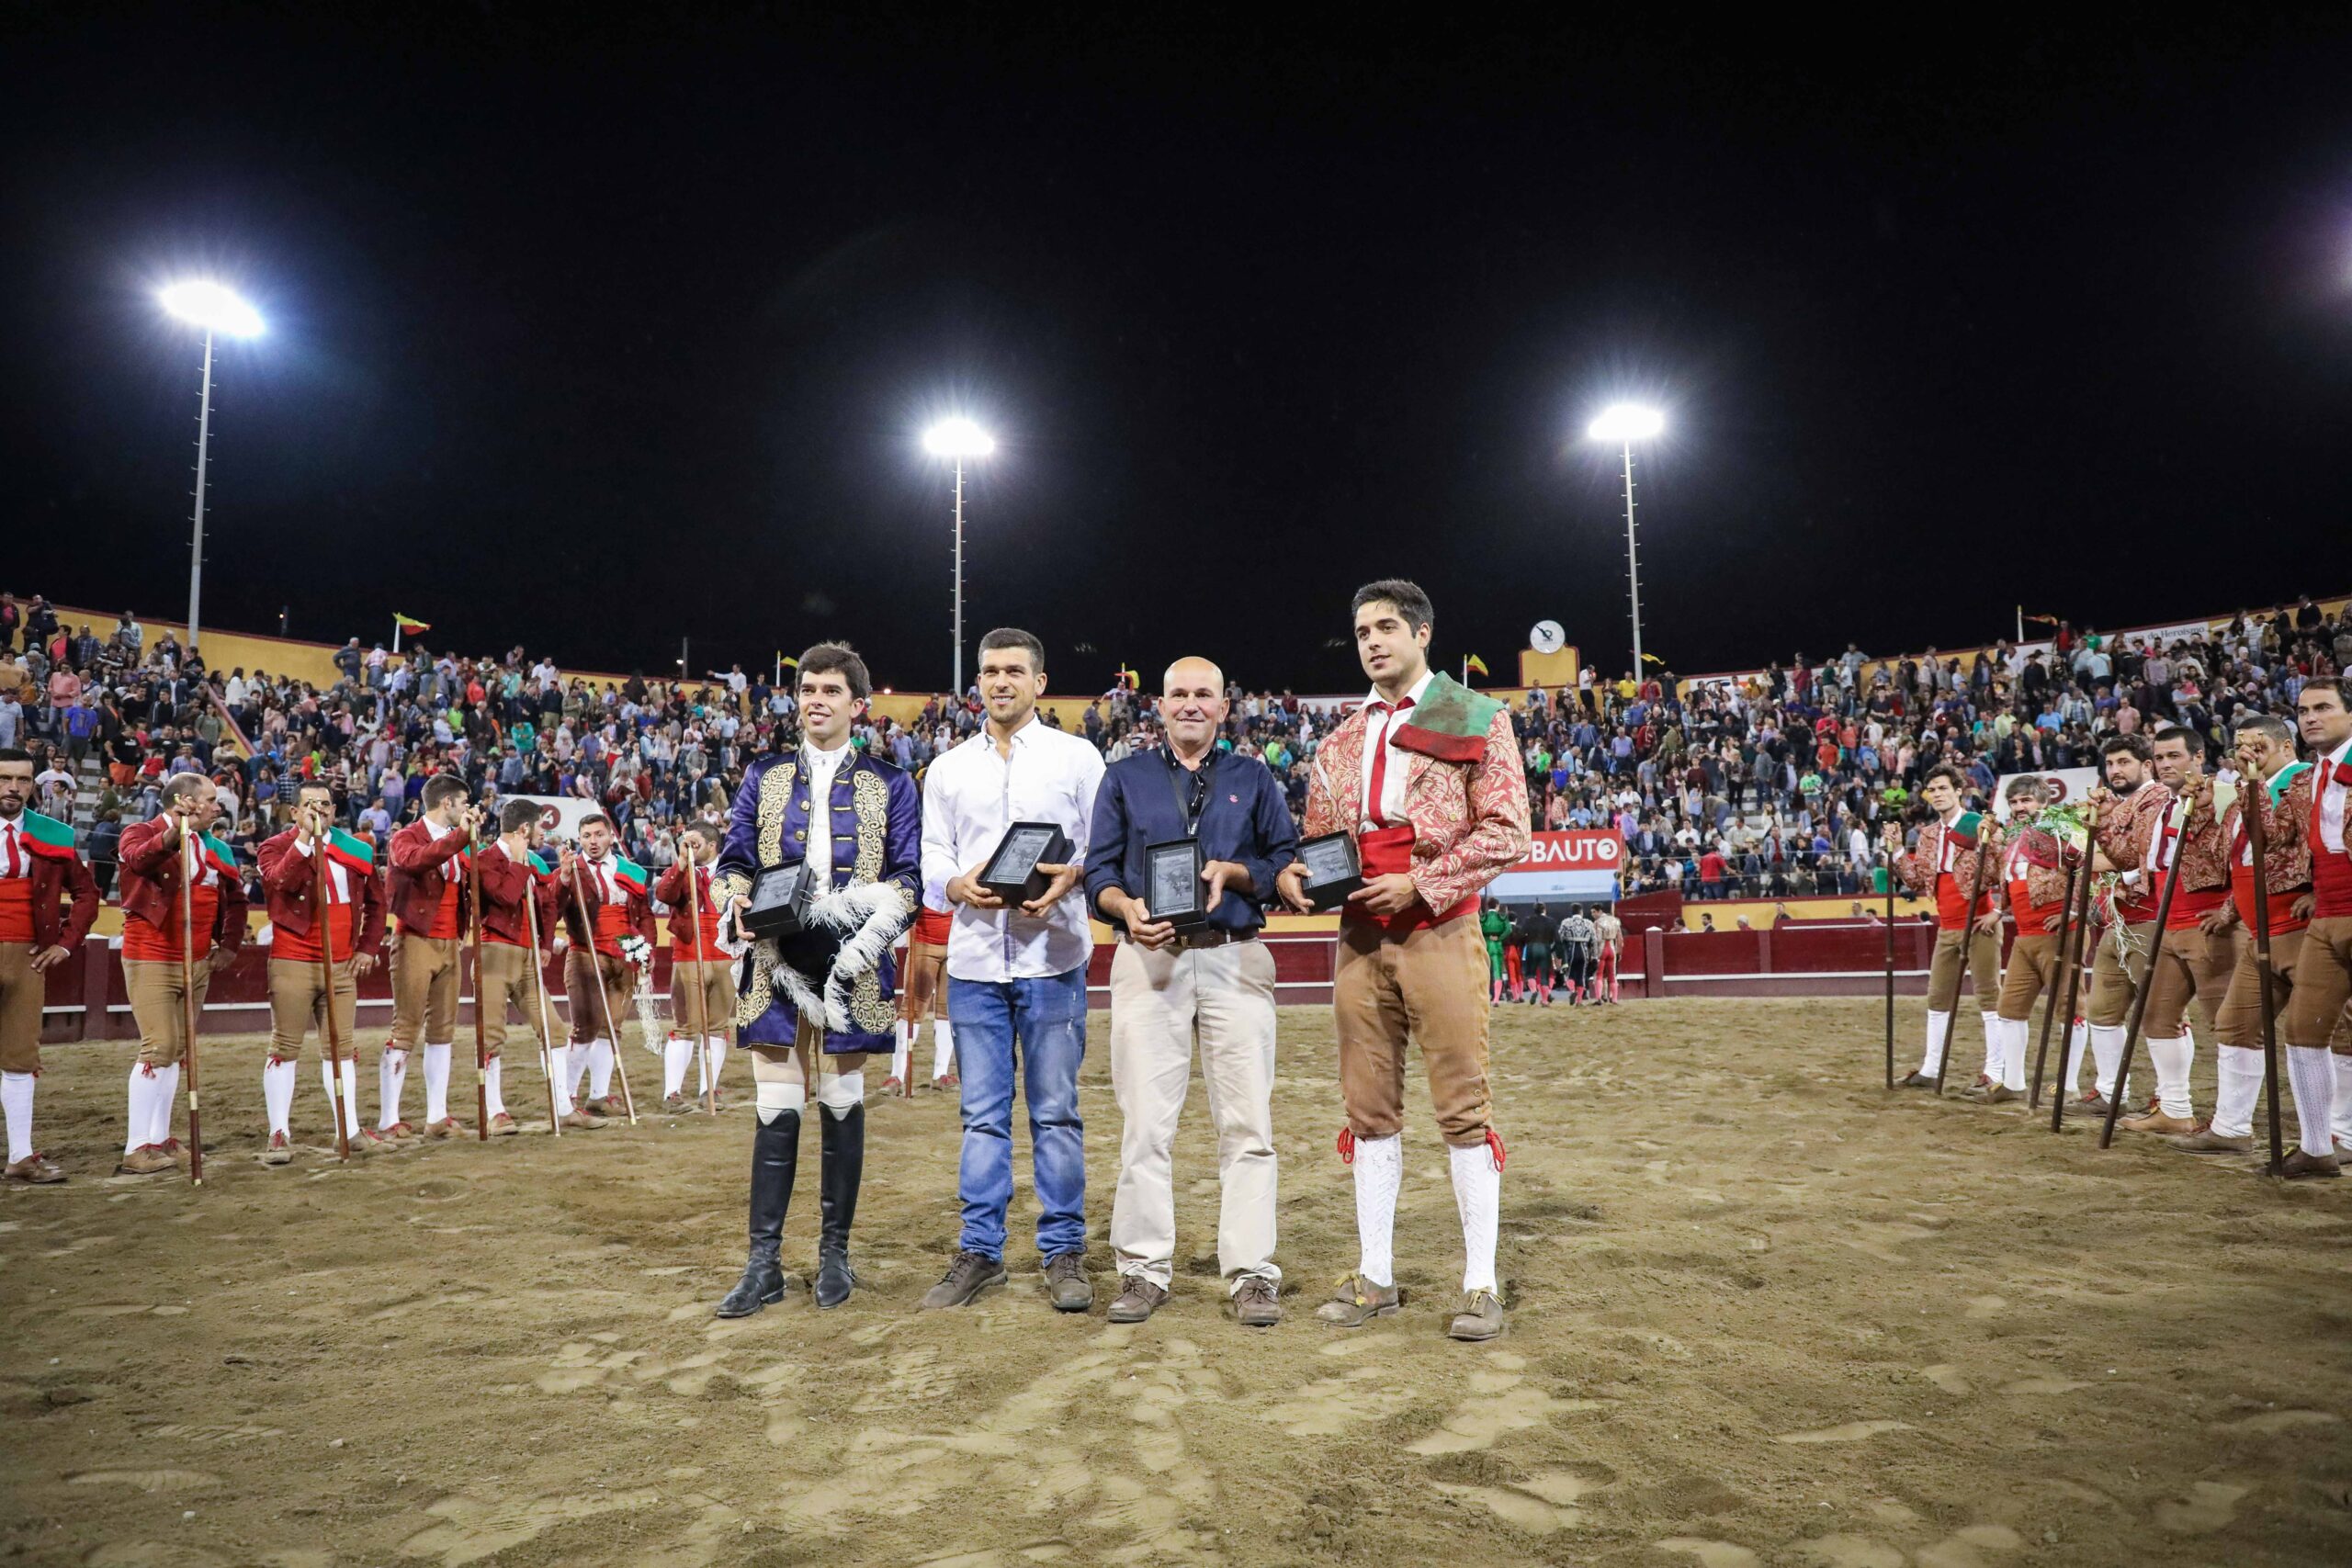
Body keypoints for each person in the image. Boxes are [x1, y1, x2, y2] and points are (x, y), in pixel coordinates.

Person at [1296, 579, 1531, 1343]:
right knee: (1368, 1111)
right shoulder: (1336, 741)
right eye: (1362, 630)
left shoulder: (1475, 714)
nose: (1372, 641)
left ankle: (1481, 1284)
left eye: (1387, 626)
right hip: (1359, 934)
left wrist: (1422, 882)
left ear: (1423, 633)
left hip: (1440, 926)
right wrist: (1300, 875)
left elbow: (1507, 831)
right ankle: (1376, 1276)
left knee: (1463, 1108)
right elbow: (1322, 842)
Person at [1084, 655, 1298, 1327]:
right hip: (1150, 962)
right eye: (1179, 693)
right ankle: (1143, 1269)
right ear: (1160, 704)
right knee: (1146, 1125)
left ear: (1224, 706)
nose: (1191, 704)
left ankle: (1252, 1273)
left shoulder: (1253, 776)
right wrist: (1126, 909)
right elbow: (1098, 873)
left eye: (1204, 694)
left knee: (1249, 1127)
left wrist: (1236, 872)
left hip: (1235, 958)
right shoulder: (1123, 777)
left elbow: (1282, 859)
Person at [711, 643, 921, 1315]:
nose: (815, 700)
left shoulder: (892, 783)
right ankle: (764, 1262)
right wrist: (734, 899)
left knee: (840, 1097)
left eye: (831, 690)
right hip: (774, 954)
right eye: (807, 689)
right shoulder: (763, 775)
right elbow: (736, 856)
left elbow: (909, 878)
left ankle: (835, 1252)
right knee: (776, 1104)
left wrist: (872, 932)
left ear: (858, 705)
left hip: (853, 956)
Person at [917, 628, 1102, 1314]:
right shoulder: (947, 767)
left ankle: (1063, 1251)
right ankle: (982, 1251)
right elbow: (932, 853)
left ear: (1039, 682)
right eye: (990, 671)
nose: (1000, 681)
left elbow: (1098, 846)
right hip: (973, 963)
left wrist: (1073, 877)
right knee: (982, 1117)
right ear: (979, 683)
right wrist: (956, 884)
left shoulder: (1078, 758)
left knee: (1056, 1113)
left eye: (1014, 671)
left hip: (1052, 956)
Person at [2168, 713, 2315, 1156]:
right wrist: (2231, 909)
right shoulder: (2238, 801)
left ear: (2285, 746)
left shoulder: (2302, 782)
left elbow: (2316, 842)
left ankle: (2337, 1133)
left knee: (2325, 1030)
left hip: (2301, 929)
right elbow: (2233, 862)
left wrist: (2322, 892)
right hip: (2261, 933)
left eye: (2256, 743)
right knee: (2236, 1024)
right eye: (2239, 744)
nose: (2246, 751)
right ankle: (2232, 1128)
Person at [114, 773, 247, 1175]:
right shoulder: (141, 832)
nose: (217, 807)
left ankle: (159, 1138)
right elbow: (141, 859)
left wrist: (228, 946)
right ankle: (136, 1146)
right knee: (160, 1045)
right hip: (151, 953)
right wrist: (175, 829)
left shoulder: (216, 847)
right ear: (183, 802)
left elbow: (237, 900)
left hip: (195, 959)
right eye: (210, 800)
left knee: (178, 1049)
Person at [254, 782, 387, 1163]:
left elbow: (378, 904)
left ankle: (349, 1129)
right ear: (294, 812)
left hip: (342, 963)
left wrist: (368, 947)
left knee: (342, 1049)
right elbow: (279, 882)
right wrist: (304, 842)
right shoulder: (275, 847)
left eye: (326, 805)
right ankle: (278, 1132)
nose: (320, 811)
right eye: (310, 805)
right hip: (292, 959)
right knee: (285, 1046)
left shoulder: (357, 849)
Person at [2116, 726, 2233, 1136]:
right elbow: (2142, 860)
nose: (2166, 764)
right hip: (2167, 925)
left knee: (2228, 1026)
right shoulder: (2160, 807)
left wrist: (2230, 910)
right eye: (2160, 758)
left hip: (2208, 924)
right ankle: (2176, 1108)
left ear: (2198, 757)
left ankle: (2232, 1123)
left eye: (2175, 756)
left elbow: (2241, 854)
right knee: (2157, 1015)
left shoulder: (2221, 797)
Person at [0, 748, 98, 1182]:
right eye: (5, 779)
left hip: (27, 957)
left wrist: (66, 943)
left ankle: (20, 1155)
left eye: (23, 781)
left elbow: (87, 894)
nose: (13, 788)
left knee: (20, 1056)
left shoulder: (53, 834)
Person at [2274, 678, 2352, 1177]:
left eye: (2323, 707)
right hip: (2327, 914)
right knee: (2303, 1030)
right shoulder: (2308, 778)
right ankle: (2316, 1148)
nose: (2310, 717)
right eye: (2303, 710)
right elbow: (2277, 837)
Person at [1885, 765, 2002, 1090]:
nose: (1937, 794)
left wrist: (2001, 911)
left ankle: (1996, 1072)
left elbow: (2004, 867)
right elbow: (1916, 880)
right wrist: (1896, 849)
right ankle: (1931, 1069)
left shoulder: (1980, 826)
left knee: (1989, 997)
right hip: (1947, 926)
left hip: (1980, 924)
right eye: (1931, 789)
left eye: (1942, 788)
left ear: (1957, 790)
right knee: (1937, 997)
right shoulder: (1927, 835)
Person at [2075, 734, 2174, 1112]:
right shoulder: (2119, 804)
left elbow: (2139, 854)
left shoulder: (2159, 798)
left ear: (2146, 765)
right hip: (2118, 919)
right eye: (2111, 764)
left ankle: (2169, 1099)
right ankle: (2109, 1091)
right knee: (2102, 1010)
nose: (2115, 770)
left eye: (2124, 762)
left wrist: (2102, 860)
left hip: (2149, 916)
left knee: (2160, 1012)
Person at [383, 774, 481, 1148]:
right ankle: (389, 1118)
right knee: (406, 1027)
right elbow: (418, 861)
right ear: (447, 804)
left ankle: (436, 1116)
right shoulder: (405, 837)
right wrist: (462, 839)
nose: (466, 810)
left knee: (442, 1031)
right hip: (415, 940)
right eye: (463, 803)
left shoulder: (462, 840)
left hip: (449, 943)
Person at [557, 812, 655, 1120]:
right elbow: (553, 904)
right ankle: (568, 1096)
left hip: (625, 952)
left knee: (611, 1028)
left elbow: (644, 915)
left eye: (598, 834)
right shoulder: (570, 869)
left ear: (611, 836)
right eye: (586, 836)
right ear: (579, 839)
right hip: (586, 952)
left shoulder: (633, 871)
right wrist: (561, 880)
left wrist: (647, 949)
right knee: (584, 1027)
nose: (592, 841)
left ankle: (598, 1095)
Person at [473, 798, 562, 1134]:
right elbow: (507, 896)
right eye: (540, 827)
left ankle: (563, 1105)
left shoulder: (533, 861)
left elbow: (549, 904)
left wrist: (544, 944)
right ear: (524, 828)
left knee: (554, 1030)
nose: (544, 833)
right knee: (492, 1036)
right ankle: (495, 1111)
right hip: (494, 953)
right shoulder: (483, 859)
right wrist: (521, 861)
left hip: (526, 956)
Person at [1984, 775, 2073, 1105]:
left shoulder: (2062, 830)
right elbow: (2012, 882)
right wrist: (1999, 910)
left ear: (2043, 802)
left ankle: (2070, 1085)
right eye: (2015, 802)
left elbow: (2092, 869)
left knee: (2069, 1007)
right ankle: (2014, 1082)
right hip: (2025, 934)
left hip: (2058, 931)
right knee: (2009, 1009)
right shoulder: (2011, 839)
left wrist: (2075, 909)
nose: (2021, 808)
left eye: (2027, 801)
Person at [651, 819, 734, 1112]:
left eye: (694, 843)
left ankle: (708, 1089)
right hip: (689, 950)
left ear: (712, 846)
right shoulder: (681, 871)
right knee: (686, 1025)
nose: (688, 847)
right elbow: (664, 895)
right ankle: (672, 1093)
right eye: (685, 842)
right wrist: (682, 864)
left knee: (717, 1026)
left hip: (725, 951)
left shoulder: (732, 872)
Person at [1517, 903, 1558, 1004]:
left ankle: (1534, 991)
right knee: (1544, 975)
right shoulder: (1551, 921)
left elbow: (1521, 935)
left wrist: (1527, 941)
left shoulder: (1528, 920)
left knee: (1530, 973)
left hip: (1531, 947)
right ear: (1544, 910)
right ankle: (1544, 1001)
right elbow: (1556, 938)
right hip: (1545, 947)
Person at [1559, 905, 1599, 1001]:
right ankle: (1579, 1001)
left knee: (1569, 974)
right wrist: (1594, 956)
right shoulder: (1588, 923)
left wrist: (1560, 953)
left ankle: (1573, 991)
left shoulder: (1566, 922)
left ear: (1572, 912)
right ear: (1581, 912)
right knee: (1581, 975)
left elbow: (1560, 938)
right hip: (1584, 952)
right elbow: (1594, 941)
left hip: (1571, 950)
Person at [1480, 898, 1511, 1004]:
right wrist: (1499, 938)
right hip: (1497, 945)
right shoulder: (1501, 918)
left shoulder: (1483, 918)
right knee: (1498, 972)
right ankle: (1496, 999)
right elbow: (1508, 929)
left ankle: (1485, 997)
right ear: (1497, 906)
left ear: (1488, 906)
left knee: (1484, 972)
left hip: (1485, 945)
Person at [1593, 904, 1624, 1002]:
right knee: (1612, 975)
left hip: (1602, 949)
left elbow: (1597, 939)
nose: (1593, 914)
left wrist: (1593, 953)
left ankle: (1599, 998)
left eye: (1594, 912)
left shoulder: (1598, 922)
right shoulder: (1615, 921)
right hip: (1611, 948)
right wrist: (1619, 952)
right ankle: (1614, 999)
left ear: (1600, 911)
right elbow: (1620, 939)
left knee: (1599, 974)